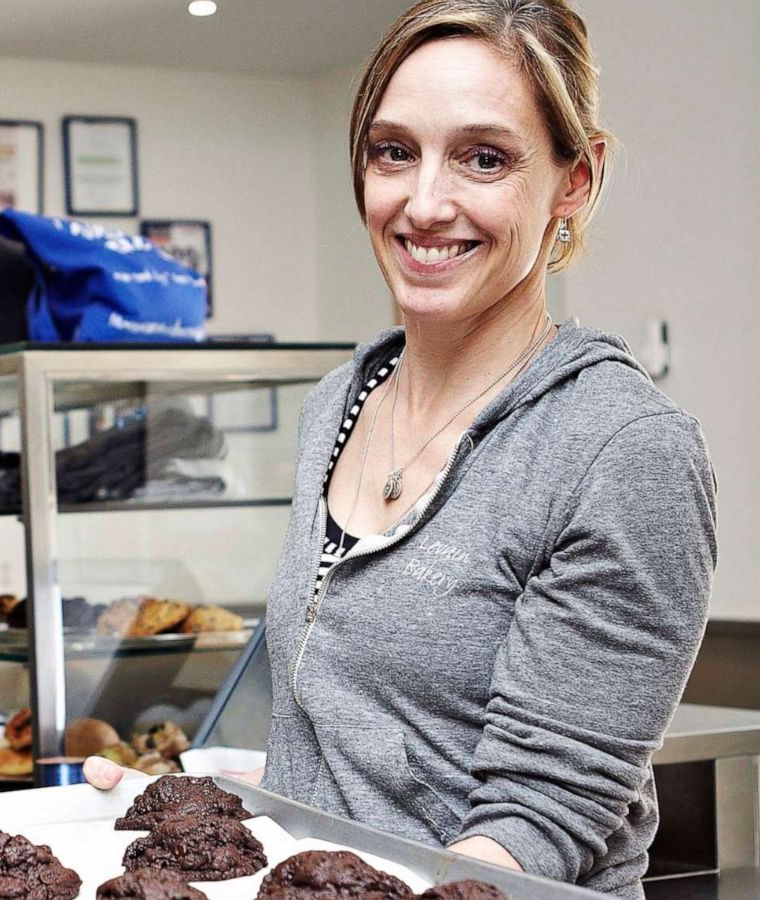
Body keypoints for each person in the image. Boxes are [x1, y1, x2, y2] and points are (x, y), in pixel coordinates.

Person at [86, 2, 713, 897]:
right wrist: (206, 814)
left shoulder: (620, 449)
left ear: (576, 179)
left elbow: (537, 825)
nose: (423, 204)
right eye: (393, 151)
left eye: (484, 157)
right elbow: (367, 764)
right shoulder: (336, 405)